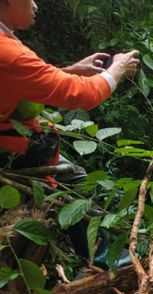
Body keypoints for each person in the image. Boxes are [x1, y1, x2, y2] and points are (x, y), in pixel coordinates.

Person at [0, 0, 140, 171]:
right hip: (13, 157)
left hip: (15, 147)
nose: (35, 6)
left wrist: (71, 72)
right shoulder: (10, 53)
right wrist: (118, 67)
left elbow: (18, 84)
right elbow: (83, 94)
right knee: (81, 181)